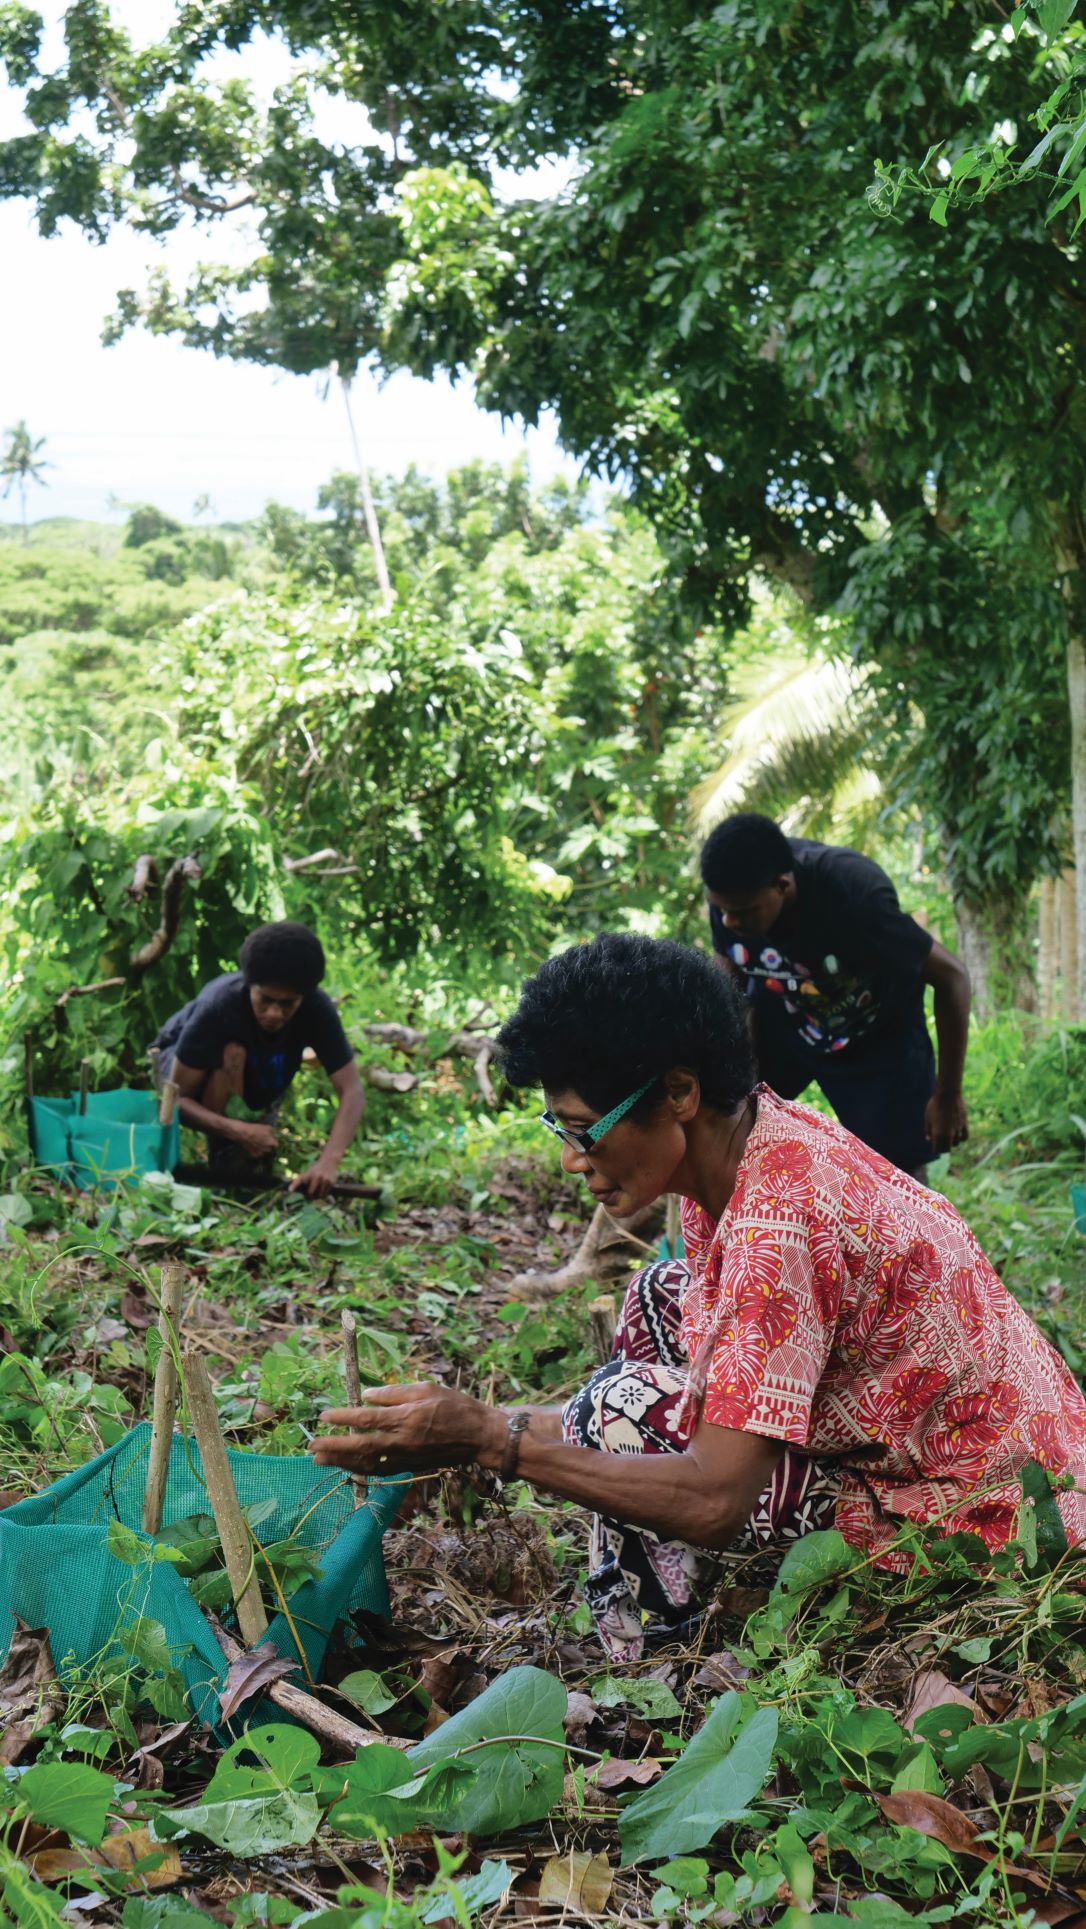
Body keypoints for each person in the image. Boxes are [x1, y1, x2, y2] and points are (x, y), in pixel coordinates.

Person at [311, 934, 1086, 1659]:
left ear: (679, 1092)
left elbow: (719, 1496)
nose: (574, 1159)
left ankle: (652, 1642)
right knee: (659, 1294)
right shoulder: (739, 1147)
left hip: (981, 1510)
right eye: (560, 1128)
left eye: (585, 1130)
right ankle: (668, 1567)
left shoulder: (780, 1220)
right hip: (964, 1440)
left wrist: (492, 1437)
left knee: (610, 1410)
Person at [701, 813, 971, 1179]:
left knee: (896, 1173)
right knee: (731, 1126)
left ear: (782, 886)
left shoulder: (853, 893)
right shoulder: (732, 901)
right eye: (721, 911)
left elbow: (952, 977)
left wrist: (949, 1094)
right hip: (790, 1021)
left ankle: (912, 1235)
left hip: (876, 1035)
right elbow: (726, 984)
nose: (729, 923)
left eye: (742, 913)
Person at [153, 920, 364, 1198]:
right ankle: (223, 1152)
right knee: (233, 1053)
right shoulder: (219, 1006)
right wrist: (237, 1130)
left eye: (287, 1004)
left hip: (264, 1071)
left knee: (254, 1183)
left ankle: (244, 1162)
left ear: (304, 997)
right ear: (249, 985)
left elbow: (352, 1090)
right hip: (185, 1068)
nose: (274, 1013)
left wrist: (329, 1162)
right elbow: (176, 1099)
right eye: (265, 1000)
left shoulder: (318, 1009)